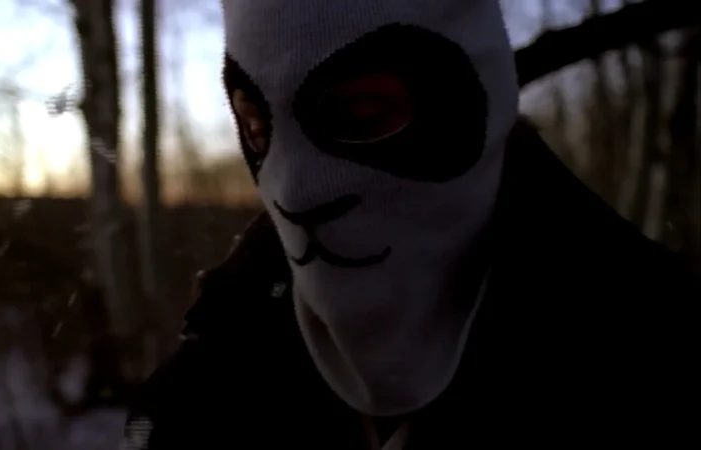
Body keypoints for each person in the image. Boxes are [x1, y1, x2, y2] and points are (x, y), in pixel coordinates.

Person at [121, 0, 700, 448]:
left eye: (364, 113)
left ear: (476, 97)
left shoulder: (653, 359)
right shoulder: (209, 383)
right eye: (257, 130)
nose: (294, 191)